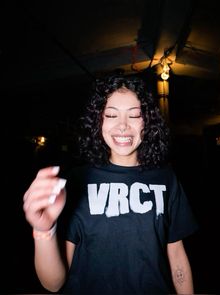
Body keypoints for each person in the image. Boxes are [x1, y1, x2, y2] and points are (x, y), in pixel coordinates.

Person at [23, 73, 198, 294]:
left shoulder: (166, 179)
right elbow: (54, 283)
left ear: (148, 121)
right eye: (111, 115)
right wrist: (43, 230)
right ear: (98, 120)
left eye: (134, 116)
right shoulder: (77, 181)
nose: (123, 126)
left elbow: (177, 257)